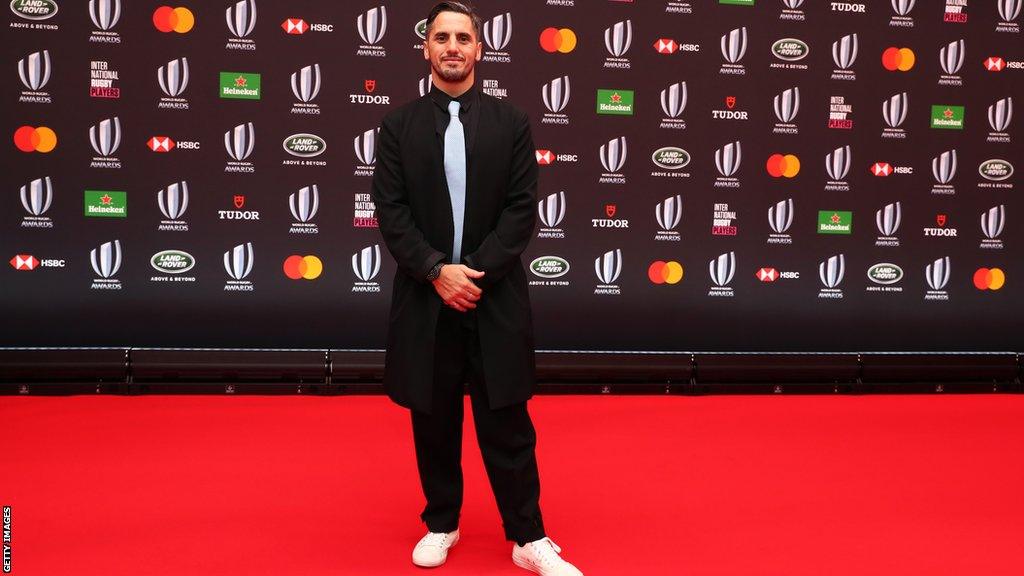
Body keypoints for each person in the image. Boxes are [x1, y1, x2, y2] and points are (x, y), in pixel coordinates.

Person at [369, 2, 583, 575]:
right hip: (425, 297)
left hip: (495, 296)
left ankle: (528, 537)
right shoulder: (398, 127)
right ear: (427, 49)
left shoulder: (512, 124)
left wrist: (473, 274)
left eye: (463, 37)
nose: (453, 47)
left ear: (480, 49)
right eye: (442, 37)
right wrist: (438, 271)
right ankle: (442, 523)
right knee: (433, 420)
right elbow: (391, 212)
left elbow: (520, 211)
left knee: (508, 421)